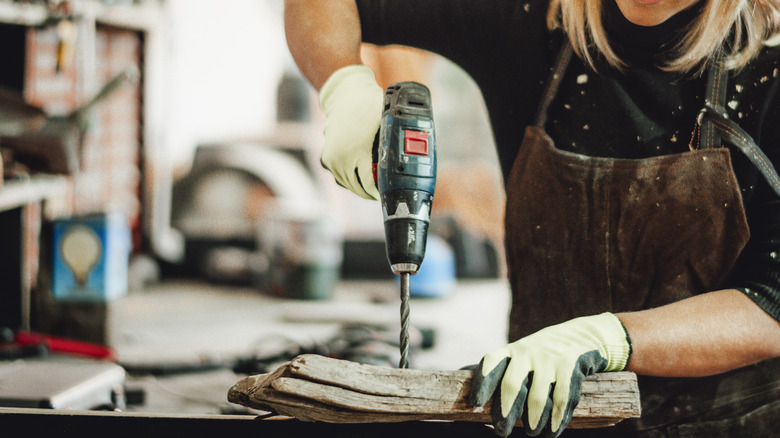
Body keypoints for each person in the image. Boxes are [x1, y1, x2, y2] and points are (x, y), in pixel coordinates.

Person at [283, 0, 780, 436]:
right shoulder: (532, 16)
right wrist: (342, 86)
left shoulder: (769, 62)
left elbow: (773, 300)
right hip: (543, 418)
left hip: (727, 422)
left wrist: (608, 338)